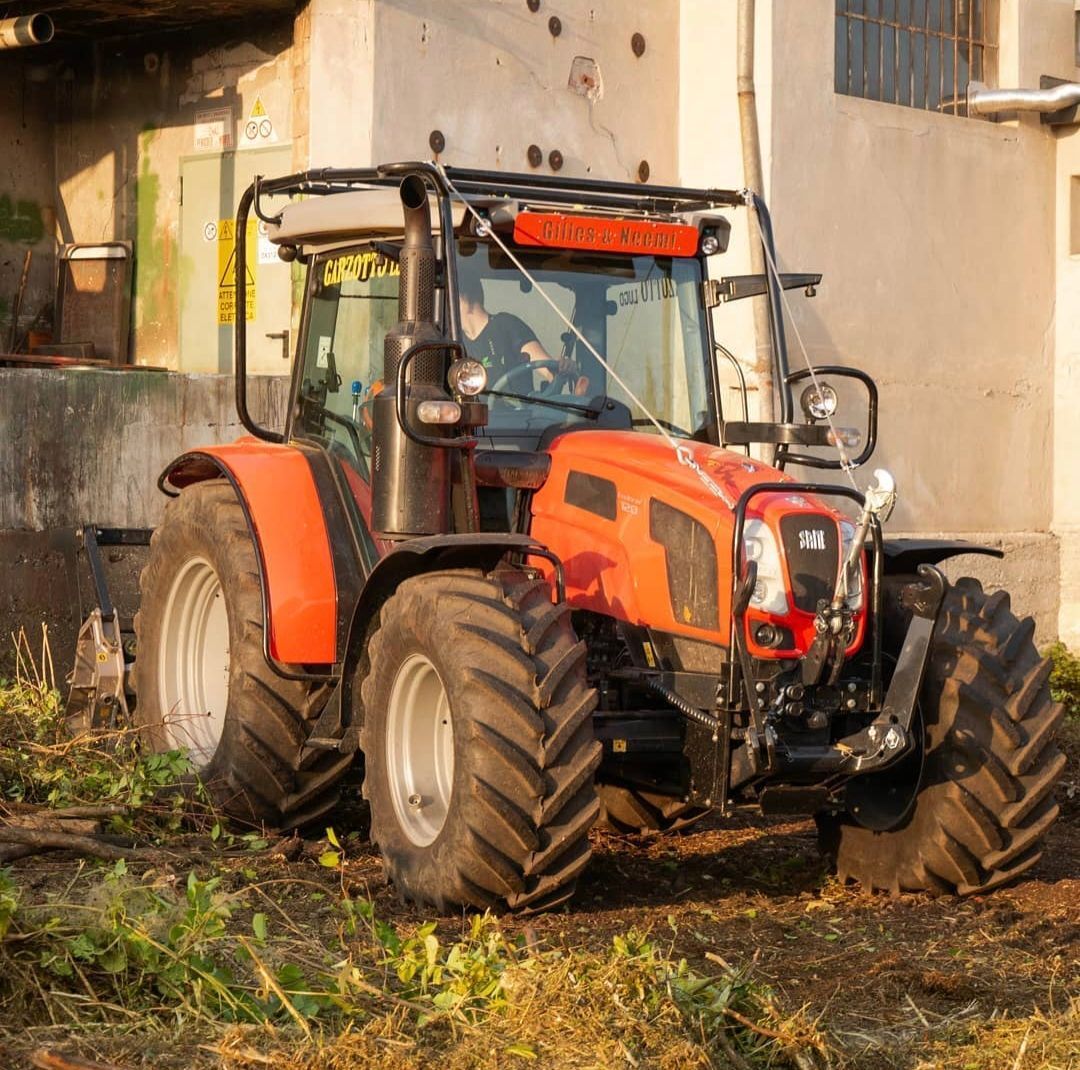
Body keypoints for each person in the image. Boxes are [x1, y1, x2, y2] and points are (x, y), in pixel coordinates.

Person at [458, 272, 577, 389]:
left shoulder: (506, 326)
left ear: (465, 299)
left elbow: (547, 369)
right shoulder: (456, 342)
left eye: (451, 301)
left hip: (516, 402)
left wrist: (563, 367)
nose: (449, 311)